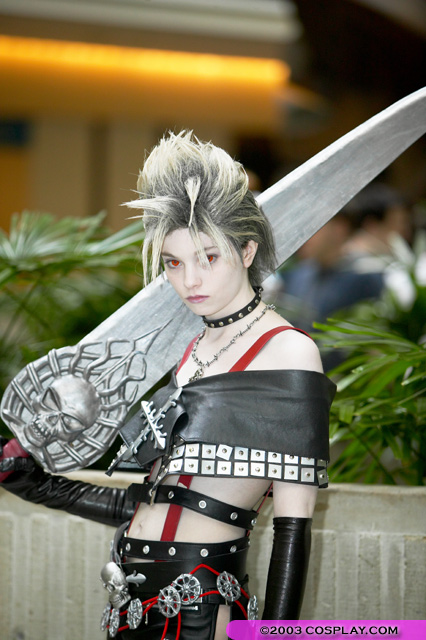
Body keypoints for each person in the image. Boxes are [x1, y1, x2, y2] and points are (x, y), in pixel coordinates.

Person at [0, 131, 335, 639]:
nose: (190, 280)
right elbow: (161, 500)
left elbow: (294, 525)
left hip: (201, 608)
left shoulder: (288, 352)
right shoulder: (193, 350)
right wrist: (38, 485)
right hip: (128, 602)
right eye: (174, 263)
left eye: (209, 257)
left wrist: (276, 635)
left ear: (247, 251)